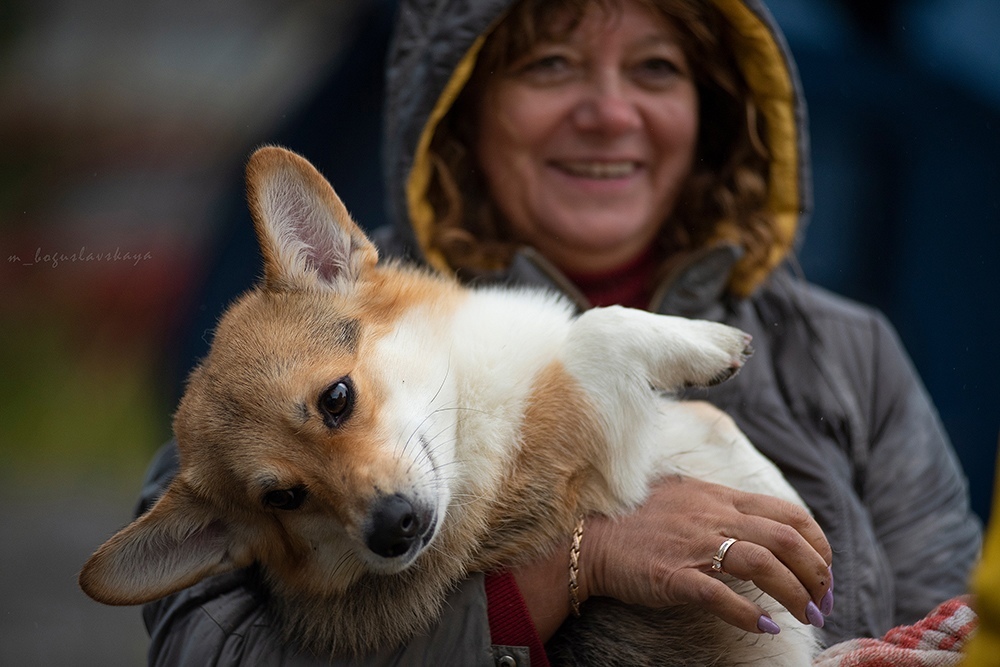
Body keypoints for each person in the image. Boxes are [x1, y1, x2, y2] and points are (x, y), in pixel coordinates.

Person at [136, 0, 982, 664]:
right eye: (551, 65)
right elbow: (209, 653)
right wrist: (573, 561)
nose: (609, 112)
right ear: (458, 103)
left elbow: (954, 615)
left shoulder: (847, 351)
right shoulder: (268, 370)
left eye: (655, 68)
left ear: (713, 106)